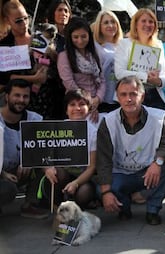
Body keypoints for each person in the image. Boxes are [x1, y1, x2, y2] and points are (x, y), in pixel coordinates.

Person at [96, 76, 165, 224]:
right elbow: (103, 160)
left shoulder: (158, 117)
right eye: (123, 95)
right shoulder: (108, 121)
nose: (128, 99)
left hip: (148, 172)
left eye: (133, 94)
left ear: (142, 96)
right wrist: (106, 192)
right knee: (101, 190)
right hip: (120, 173)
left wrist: (157, 162)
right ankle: (124, 207)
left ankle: (153, 210)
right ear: (117, 97)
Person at [0, 79, 48, 219]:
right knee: (7, 190)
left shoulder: (36, 119)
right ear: (7, 97)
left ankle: (30, 205)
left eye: (25, 96)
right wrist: (2, 173)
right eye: (17, 95)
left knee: (46, 163)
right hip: (2, 173)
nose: (21, 100)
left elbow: (43, 148)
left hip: (21, 172)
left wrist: (30, 160)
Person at [42, 89, 98, 209]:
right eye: (72, 104)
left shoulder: (93, 133)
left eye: (82, 104)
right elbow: (45, 157)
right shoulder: (57, 129)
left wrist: (76, 183)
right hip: (63, 175)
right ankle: (57, 205)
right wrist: (47, 168)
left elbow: (92, 167)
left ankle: (76, 209)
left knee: (85, 193)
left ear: (88, 109)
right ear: (66, 110)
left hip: (82, 177)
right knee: (58, 174)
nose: (77, 108)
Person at [114, 8, 165, 110]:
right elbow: (119, 73)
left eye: (151, 21)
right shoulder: (124, 44)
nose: (148, 24)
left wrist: (158, 81)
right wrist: (145, 76)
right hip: (130, 97)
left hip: (154, 98)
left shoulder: (158, 45)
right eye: (143, 21)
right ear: (136, 24)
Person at [57, 17, 105, 124]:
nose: (80, 40)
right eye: (76, 37)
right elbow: (69, 83)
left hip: (96, 104)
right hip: (77, 105)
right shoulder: (64, 56)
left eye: (84, 36)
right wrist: (87, 103)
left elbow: (102, 80)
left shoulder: (95, 54)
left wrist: (97, 99)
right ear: (70, 37)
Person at [0, 0, 48, 106]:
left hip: (43, 100)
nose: (24, 24)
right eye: (18, 21)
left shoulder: (41, 39)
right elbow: (4, 78)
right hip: (16, 103)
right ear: (7, 21)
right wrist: (34, 78)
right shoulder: (3, 46)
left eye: (26, 18)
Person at [92, 10, 123, 113]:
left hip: (122, 100)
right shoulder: (94, 46)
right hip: (101, 100)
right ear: (99, 26)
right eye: (106, 22)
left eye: (113, 22)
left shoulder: (124, 45)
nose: (110, 25)